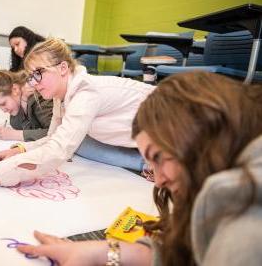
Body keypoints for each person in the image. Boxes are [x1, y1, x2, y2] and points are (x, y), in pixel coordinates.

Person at [15, 71, 262, 266]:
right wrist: (103, 251)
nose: (157, 181)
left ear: (201, 136)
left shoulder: (247, 225)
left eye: (159, 157)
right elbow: (192, 254)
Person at [0, 38, 154, 187]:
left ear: (63, 68)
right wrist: (17, 151)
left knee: (74, 144)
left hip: (178, 131)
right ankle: (149, 160)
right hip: (145, 139)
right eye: (30, 76)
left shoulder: (86, 92)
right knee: (78, 142)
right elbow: (53, 137)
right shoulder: (62, 95)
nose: (34, 83)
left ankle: (154, 162)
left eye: (38, 74)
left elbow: (58, 151)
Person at [0, 63, 53, 141]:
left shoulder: (37, 96)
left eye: (3, 104)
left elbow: (57, 132)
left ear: (15, 89)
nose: (4, 110)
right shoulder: (19, 101)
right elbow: (15, 123)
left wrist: (16, 135)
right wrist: (24, 104)